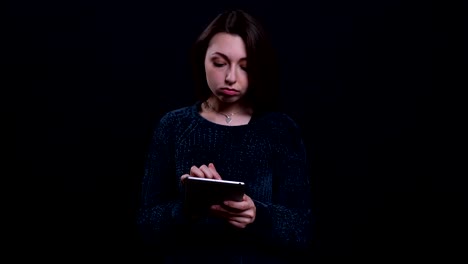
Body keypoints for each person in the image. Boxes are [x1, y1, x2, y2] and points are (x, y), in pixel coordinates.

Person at [136, 9, 312, 263]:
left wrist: (257, 215)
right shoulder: (173, 126)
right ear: (202, 60)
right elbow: (145, 228)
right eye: (219, 63)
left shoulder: (281, 130)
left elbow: (302, 231)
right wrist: (187, 208)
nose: (230, 77)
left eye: (245, 67)